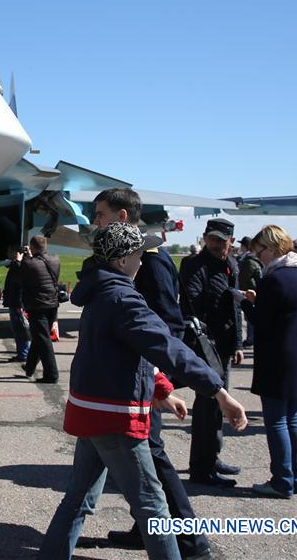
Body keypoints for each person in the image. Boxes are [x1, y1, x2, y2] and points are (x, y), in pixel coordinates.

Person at [40, 222, 246, 560]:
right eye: (138, 253)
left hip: (91, 411)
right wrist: (217, 391)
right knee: (153, 505)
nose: (142, 260)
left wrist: (162, 389)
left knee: (77, 499)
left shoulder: (101, 290)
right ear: (121, 260)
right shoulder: (122, 297)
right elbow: (167, 347)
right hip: (115, 417)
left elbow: (130, 353)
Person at [91, 188, 210, 559]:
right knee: (137, 466)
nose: (96, 221)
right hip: (129, 381)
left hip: (144, 382)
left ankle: (191, 542)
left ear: (122, 217)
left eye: (101, 214)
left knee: (154, 458)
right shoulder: (121, 259)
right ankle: (145, 529)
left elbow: (166, 327)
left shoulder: (151, 262)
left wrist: (159, 383)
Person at [240, 225, 297, 498]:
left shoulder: (273, 279)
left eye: (259, 250)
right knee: (293, 419)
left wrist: (246, 304)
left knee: (277, 422)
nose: (258, 255)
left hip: (277, 359)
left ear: (270, 249)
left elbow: (263, 322)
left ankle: (282, 479)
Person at [179, 218, 244, 488]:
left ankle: (212, 458)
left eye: (222, 240)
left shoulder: (231, 264)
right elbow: (192, 305)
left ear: (231, 240)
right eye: (212, 239)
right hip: (208, 348)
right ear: (205, 238)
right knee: (207, 407)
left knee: (219, 407)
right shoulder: (195, 265)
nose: (216, 244)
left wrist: (238, 343)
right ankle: (201, 468)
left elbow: (235, 309)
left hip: (226, 346)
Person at [12, 235, 60, 383]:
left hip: (37, 306)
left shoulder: (28, 263)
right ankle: (29, 368)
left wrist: (18, 261)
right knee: (39, 337)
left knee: (43, 339)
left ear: (32, 247)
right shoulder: (55, 260)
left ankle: (51, 374)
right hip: (53, 305)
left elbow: (17, 278)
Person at [3, 244, 30, 363]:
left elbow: (19, 284)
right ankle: (22, 353)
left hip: (17, 304)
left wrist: (18, 262)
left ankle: (24, 354)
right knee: (19, 329)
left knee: (21, 330)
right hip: (16, 303)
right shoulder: (18, 265)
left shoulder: (19, 267)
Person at [237, 236, 262, 347]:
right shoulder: (250, 259)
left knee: (251, 318)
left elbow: (243, 277)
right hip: (251, 291)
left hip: (250, 291)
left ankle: (251, 339)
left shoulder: (249, 261)